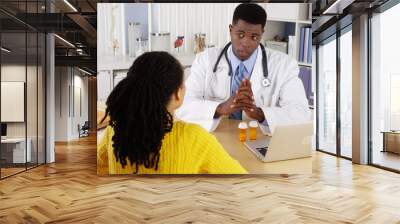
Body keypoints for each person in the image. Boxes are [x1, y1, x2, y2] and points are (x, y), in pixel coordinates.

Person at [97, 51, 247, 174]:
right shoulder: (195, 138)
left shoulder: (114, 130)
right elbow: (242, 181)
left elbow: (100, 166)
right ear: (177, 94)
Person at [176, 3, 311, 135]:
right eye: (240, 34)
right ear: (231, 29)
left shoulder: (284, 65)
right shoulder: (206, 59)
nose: (245, 43)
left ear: (262, 34)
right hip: (215, 138)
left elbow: (301, 114)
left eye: (254, 37)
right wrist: (220, 108)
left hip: (257, 138)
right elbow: (182, 105)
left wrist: (259, 113)